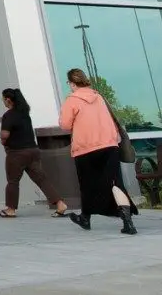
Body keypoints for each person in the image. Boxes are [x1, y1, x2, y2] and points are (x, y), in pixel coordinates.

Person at [59, 68, 138, 235]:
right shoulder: (99, 97)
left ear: (72, 83)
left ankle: (85, 218)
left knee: (87, 184)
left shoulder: (72, 100)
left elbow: (65, 125)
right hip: (109, 146)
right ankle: (128, 223)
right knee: (116, 183)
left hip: (85, 149)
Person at [0, 88, 68, 218]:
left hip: (17, 153)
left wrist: (2, 138)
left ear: (8, 99)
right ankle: (60, 204)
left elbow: (4, 134)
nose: (3, 102)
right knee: (41, 179)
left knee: (13, 181)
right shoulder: (25, 114)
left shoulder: (9, 115)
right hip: (33, 151)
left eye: (3, 99)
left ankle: (10, 210)